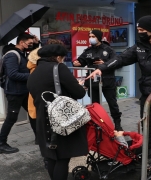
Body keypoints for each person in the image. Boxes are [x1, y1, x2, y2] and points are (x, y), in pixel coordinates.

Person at [87, 15, 151, 169]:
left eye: (142, 30)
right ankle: (145, 150)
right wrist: (101, 69)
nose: (139, 32)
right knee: (146, 124)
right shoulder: (139, 46)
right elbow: (121, 58)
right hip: (148, 94)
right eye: (138, 30)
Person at [27, 44, 88, 180]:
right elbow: (79, 93)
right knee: (63, 158)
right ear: (58, 57)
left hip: (43, 119)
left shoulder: (33, 73)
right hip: (61, 118)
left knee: (51, 157)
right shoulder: (59, 68)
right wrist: (78, 85)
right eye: (63, 58)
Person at [0, 33, 39, 154]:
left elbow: (36, 54)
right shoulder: (12, 55)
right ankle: (0, 144)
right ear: (21, 42)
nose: (30, 45)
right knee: (11, 118)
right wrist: (31, 76)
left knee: (33, 113)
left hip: (23, 91)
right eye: (29, 43)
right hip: (15, 92)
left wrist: (36, 42)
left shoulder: (21, 53)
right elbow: (13, 74)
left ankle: (39, 138)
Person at [73, 29, 123, 131]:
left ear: (99, 37)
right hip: (93, 83)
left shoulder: (108, 49)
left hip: (107, 81)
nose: (91, 39)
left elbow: (116, 62)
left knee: (112, 103)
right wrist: (76, 63)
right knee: (95, 105)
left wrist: (104, 63)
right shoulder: (87, 51)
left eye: (93, 36)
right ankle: (98, 124)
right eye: (90, 36)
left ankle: (117, 124)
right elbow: (80, 62)